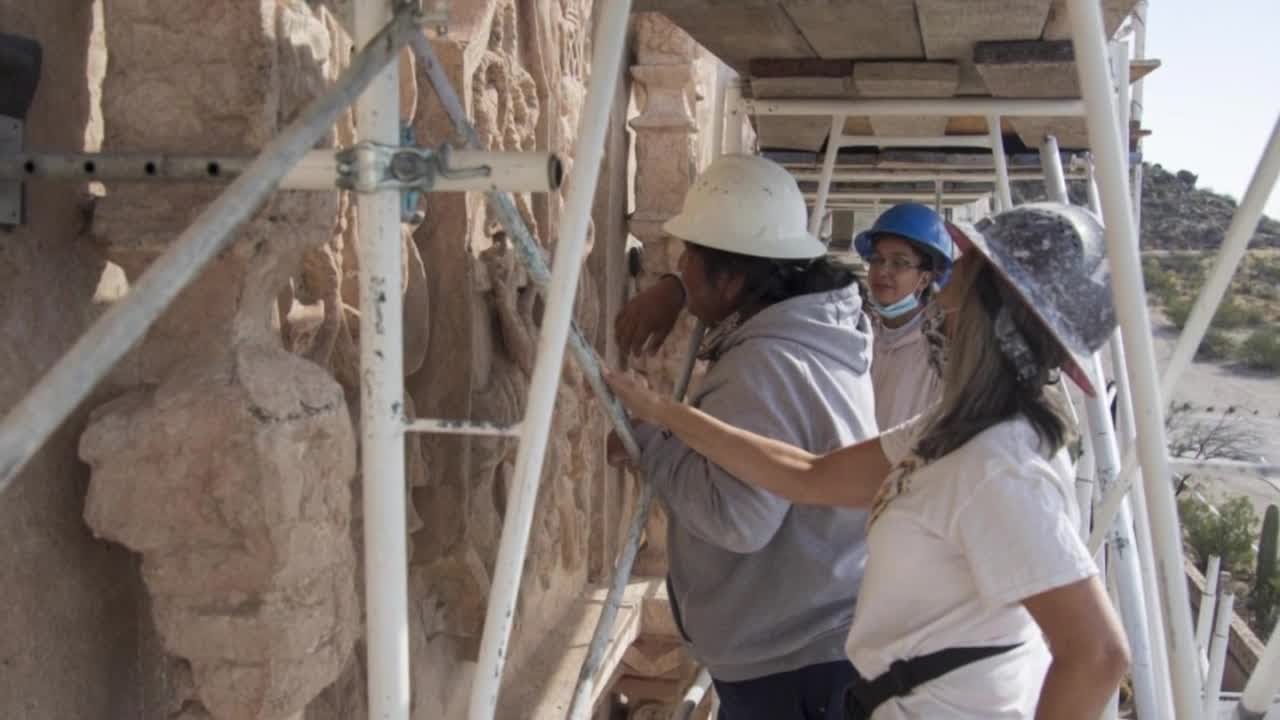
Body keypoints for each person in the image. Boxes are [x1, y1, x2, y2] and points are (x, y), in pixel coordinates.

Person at [605, 202, 1131, 720]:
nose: (942, 295)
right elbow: (807, 475)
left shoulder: (1000, 465)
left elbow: (1098, 654)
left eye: (960, 277)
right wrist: (665, 415)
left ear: (997, 314)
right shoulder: (955, 432)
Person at [609, 153, 879, 719]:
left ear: (732, 280)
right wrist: (676, 290)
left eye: (689, 260)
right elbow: (728, 279)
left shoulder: (763, 365)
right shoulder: (821, 325)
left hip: (790, 661)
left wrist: (649, 445)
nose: (680, 267)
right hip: (817, 634)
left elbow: (738, 519)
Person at [854, 203, 955, 428]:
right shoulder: (858, 333)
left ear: (925, 279)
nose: (882, 271)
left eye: (899, 263)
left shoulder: (940, 352)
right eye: (877, 259)